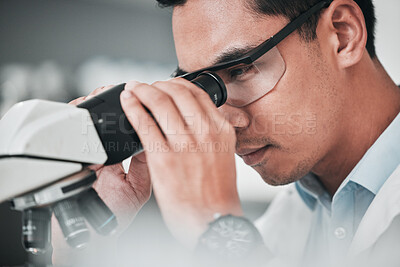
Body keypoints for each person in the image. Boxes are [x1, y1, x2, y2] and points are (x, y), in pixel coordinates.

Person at [52, 0, 400, 266]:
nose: (225, 122)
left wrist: (218, 229)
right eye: (203, 88)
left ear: (342, 34)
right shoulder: (287, 223)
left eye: (242, 69)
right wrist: (86, 249)